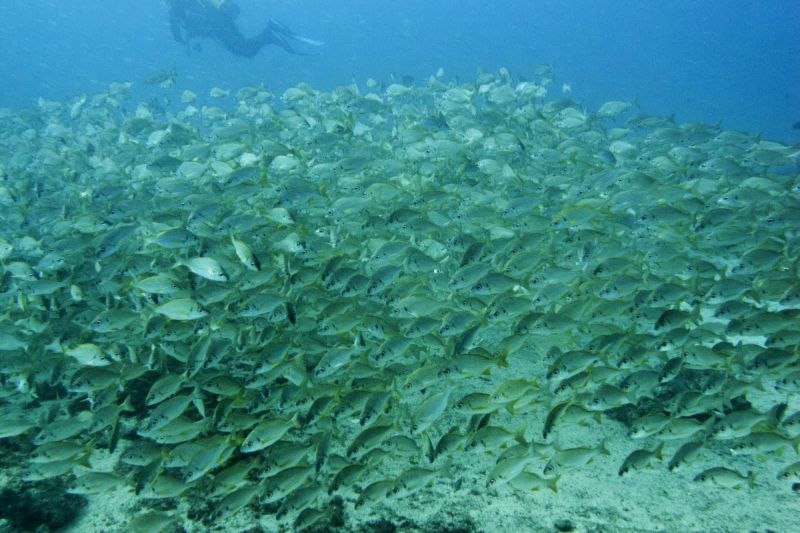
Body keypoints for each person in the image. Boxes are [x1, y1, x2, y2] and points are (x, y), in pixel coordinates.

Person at [167, 0, 322, 58]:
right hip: (222, 22)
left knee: (245, 51)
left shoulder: (175, 5)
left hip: (218, 27)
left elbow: (176, 24)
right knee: (246, 50)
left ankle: (270, 31)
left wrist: (178, 38)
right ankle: (271, 33)